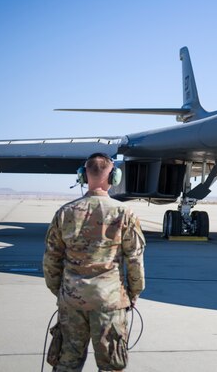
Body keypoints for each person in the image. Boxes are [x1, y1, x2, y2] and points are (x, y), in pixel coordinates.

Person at [43, 152, 145, 372]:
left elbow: (51, 259)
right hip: (109, 302)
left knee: (66, 363)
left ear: (83, 176)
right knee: (111, 366)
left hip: (71, 301)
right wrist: (133, 293)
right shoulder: (124, 213)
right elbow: (135, 258)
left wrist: (61, 292)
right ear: (113, 177)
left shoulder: (65, 213)